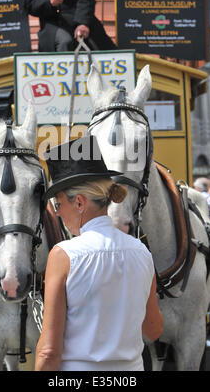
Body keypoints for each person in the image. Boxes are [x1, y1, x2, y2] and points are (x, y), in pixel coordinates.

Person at [35, 135, 163, 371]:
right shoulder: (142, 252)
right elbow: (153, 330)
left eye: (59, 204)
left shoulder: (63, 255)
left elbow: (48, 351)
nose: (59, 213)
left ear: (80, 203)